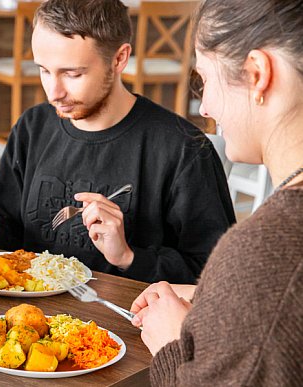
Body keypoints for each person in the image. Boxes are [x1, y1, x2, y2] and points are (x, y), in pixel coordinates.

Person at [0, 0, 235, 284]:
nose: (53, 92)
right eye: (44, 70)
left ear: (119, 59)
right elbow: (6, 221)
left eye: (72, 74)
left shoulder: (183, 149)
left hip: (125, 326)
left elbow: (213, 275)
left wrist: (128, 257)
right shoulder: (33, 127)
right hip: (31, 321)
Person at [130, 0, 303, 384]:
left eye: (204, 80)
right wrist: (216, 300)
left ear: (257, 74)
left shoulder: (263, 250)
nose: (205, 106)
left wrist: (172, 345)